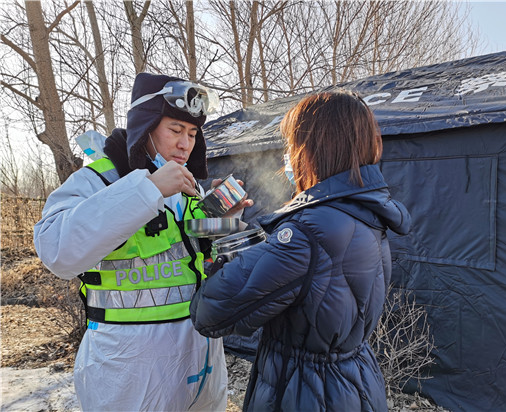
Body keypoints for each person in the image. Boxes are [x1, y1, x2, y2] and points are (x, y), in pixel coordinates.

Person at [34, 72, 252, 411]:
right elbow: (56, 250)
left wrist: (221, 223)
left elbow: (185, 245)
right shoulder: (100, 178)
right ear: (147, 126)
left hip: (200, 354)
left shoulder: (189, 185)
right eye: (175, 130)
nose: (186, 144)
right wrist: (147, 189)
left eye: (193, 133)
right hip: (130, 366)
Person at [190, 90, 412, 411]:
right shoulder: (365, 214)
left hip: (306, 393)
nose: (287, 156)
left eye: (291, 145)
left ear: (311, 150)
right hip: (356, 382)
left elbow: (210, 313)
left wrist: (227, 230)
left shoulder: (306, 231)